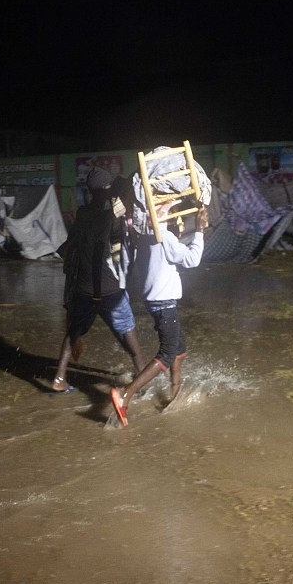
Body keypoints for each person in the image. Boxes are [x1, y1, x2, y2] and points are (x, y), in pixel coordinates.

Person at [111, 199, 207, 427]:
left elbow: (171, 253)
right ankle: (126, 392)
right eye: (174, 214)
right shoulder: (165, 237)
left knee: (179, 348)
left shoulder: (146, 236)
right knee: (167, 353)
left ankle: (174, 394)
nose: (177, 218)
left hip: (155, 303)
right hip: (164, 305)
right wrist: (200, 231)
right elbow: (192, 260)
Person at [50, 167, 146, 393]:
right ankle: (142, 376)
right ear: (105, 189)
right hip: (108, 289)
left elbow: (68, 247)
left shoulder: (83, 213)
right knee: (128, 332)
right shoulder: (107, 216)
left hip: (82, 289)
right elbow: (124, 196)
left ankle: (59, 378)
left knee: (74, 332)